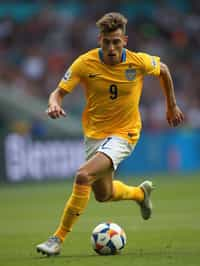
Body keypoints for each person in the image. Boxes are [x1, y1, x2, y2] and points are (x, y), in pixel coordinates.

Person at [36, 12, 184, 256]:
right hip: (95, 135)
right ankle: (139, 193)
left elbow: (164, 70)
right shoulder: (85, 63)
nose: (112, 47)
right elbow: (58, 92)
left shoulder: (138, 62)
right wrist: (54, 103)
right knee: (103, 195)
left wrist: (171, 105)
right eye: (107, 42)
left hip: (125, 134)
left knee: (83, 175)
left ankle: (57, 239)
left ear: (124, 41)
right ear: (99, 40)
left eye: (117, 42)